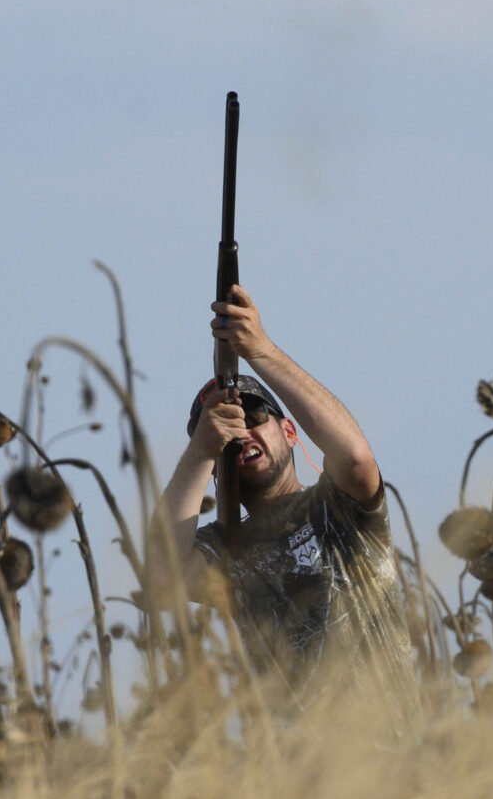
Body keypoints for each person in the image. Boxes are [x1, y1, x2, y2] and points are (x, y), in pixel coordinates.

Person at [159, 284, 414, 686]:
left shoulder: (338, 509)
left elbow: (356, 458)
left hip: (391, 745)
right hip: (296, 750)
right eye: (228, 434)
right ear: (213, 469)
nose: (242, 434)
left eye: (254, 415)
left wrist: (260, 350)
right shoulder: (225, 551)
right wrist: (203, 447)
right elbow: (161, 575)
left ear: (290, 431)